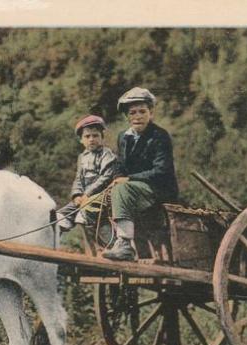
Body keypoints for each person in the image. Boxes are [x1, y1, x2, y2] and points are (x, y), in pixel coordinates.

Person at [102, 87, 179, 261]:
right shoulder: (123, 137)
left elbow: (162, 170)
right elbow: (119, 166)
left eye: (142, 111)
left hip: (158, 190)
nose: (138, 116)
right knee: (103, 198)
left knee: (122, 190)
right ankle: (108, 242)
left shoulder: (159, 136)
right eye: (133, 112)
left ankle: (125, 245)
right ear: (127, 116)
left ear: (151, 113)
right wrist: (117, 179)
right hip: (134, 189)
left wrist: (129, 179)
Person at [56, 115, 120, 232]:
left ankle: (100, 236)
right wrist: (77, 195)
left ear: (102, 137)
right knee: (61, 214)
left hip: (102, 195)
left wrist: (87, 194)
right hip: (85, 196)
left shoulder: (107, 154)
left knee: (85, 213)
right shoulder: (82, 157)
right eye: (87, 136)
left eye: (95, 136)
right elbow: (79, 179)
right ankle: (60, 229)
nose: (91, 139)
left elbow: (105, 177)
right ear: (81, 140)